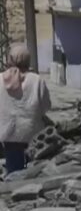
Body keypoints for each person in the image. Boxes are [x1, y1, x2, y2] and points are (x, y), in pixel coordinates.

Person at [0, 44, 50, 175]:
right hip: (33, 134)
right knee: (33, 171)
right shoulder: (37, 80)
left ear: (10, 59)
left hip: (8, 134)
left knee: (13, 171)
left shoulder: (0, 79)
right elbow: (46, 106)